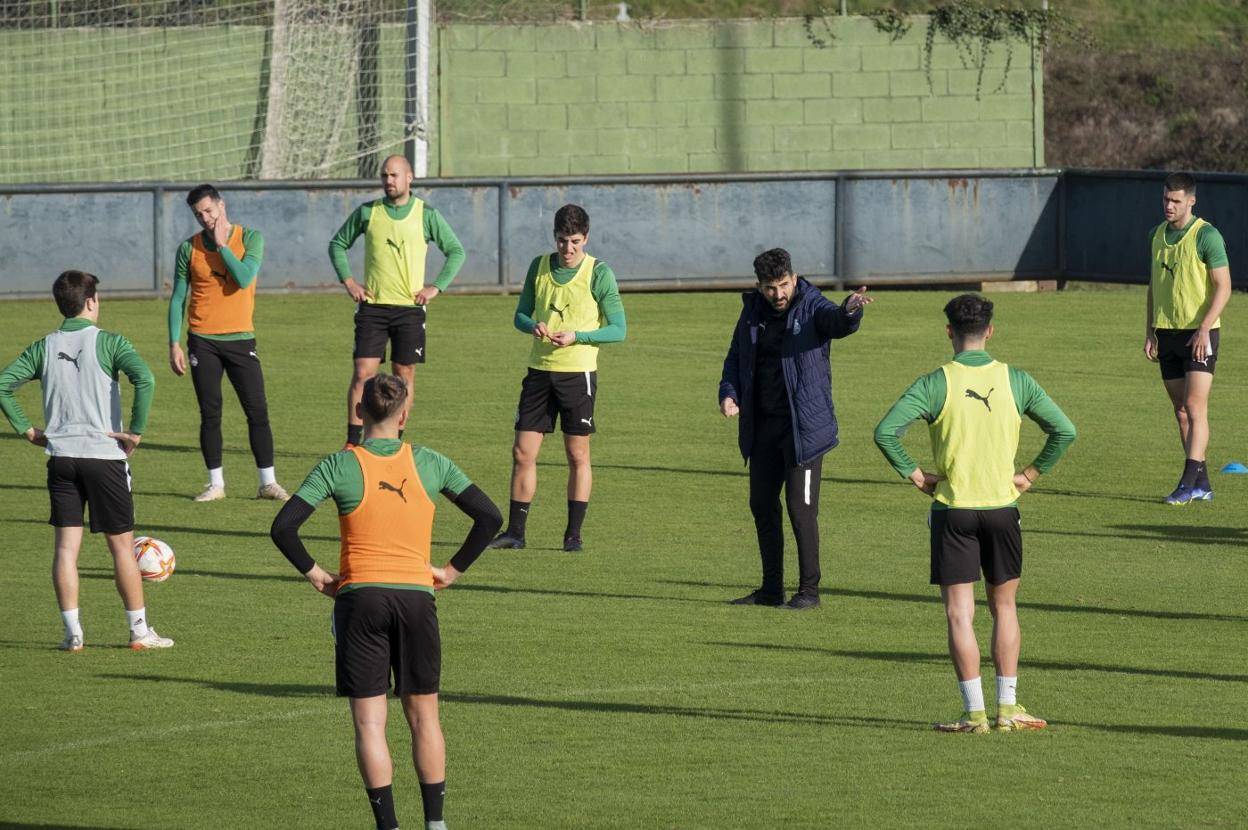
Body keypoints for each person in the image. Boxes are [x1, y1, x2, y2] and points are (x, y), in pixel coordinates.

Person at [270, 373, 501, 830]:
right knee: (424, 718)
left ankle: (388, 826)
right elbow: (490, 517)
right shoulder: (431, 463)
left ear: (359, 414)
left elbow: (283, 527)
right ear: (404, 415)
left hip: (360, 600)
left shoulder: (338, 466)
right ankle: (436, 825)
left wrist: (318, 577)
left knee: (370, 725)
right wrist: (450, 571)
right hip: (417, 600)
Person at [874, 293, 1075, 733]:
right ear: (990, 331)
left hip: (954, 511)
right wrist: (1030, 474)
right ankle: (1009, 709)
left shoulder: (934, 383)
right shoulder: (1015, 380)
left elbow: (885, 432)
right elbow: (1065, 429)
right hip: (1003, 508)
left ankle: (974, 714)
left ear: (949, 331)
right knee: (1004, 608)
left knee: (959, 614)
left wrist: (917, 476)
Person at [0, 270, 173, 650]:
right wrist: (137, 431)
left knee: (65, 548)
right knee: (122, 548)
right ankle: (139, 631)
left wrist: (28, 430)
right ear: (91, 301)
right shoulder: (110, 342)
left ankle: (72, 634)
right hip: (103, 457)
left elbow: (2, 384)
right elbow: (145, 379)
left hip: (62, 459)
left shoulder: (43, 346)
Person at [718, 248, 870, 610]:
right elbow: (735, 357)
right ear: (759, 286)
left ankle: (808, 593)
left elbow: (837, 321)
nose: (778, 294)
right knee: (761, 505)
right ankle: (771, 591)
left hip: (804, 432)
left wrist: (851, 310)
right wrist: (729, 393)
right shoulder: (753, 311)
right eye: (770, 288)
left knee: (800, 510)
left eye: (783, 285)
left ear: (794, 277)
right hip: (764, 428)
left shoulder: (812, 305)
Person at [487, 204, 627, 553]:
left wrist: (578, 336)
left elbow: (619, 330)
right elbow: (520, 315)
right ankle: (516, 533)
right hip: (539, 372)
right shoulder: (539, 266)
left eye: (575, 242)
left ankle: (573, 536)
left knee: (577, 453)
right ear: (554, 237)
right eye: (563, 241)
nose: (568, 249)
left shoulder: (599, 273)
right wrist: (531, 325)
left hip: (577, 375)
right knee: (522, 452)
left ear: (587, 238)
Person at [328, 154, 466, 449]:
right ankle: (354, 442)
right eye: (384, 176)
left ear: (409, 178)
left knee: (403, 376)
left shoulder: (426, 214)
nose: (388, 181)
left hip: (410, 310)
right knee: (364, 374)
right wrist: (349, 282)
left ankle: (394, 439)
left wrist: (435, 287)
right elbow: (337, 244)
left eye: (394, 175)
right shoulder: (368, 212)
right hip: (373, 308)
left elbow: (456, 251)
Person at [168, 183, 289, 502]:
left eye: (208, 210)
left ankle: (268, 482)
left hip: (240, 338)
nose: (205, 218)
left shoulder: (251, 238)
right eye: (198, 214)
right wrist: (174, 342)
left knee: (257, 411)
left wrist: (222, 246)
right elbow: (179, 296)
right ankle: (215, 484)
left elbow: (244, 277)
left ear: (222, 205)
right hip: (202, 340)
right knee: (211, 413)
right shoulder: (189, 249)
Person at [1144, 172, 1232, 504]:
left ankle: (1186, 484)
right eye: (1166, 199)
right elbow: (1153, 288)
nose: (1169, 205)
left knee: (1195, 407)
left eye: (1176, 200)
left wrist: (1204, 328)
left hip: (1201, 334)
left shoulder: (1206, 236)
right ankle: (1202, 483)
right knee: (1180, 411)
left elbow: (1224, 288)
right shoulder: (1155, 236)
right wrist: (1150, 330)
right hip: (1166, 333)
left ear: (1191, 201)